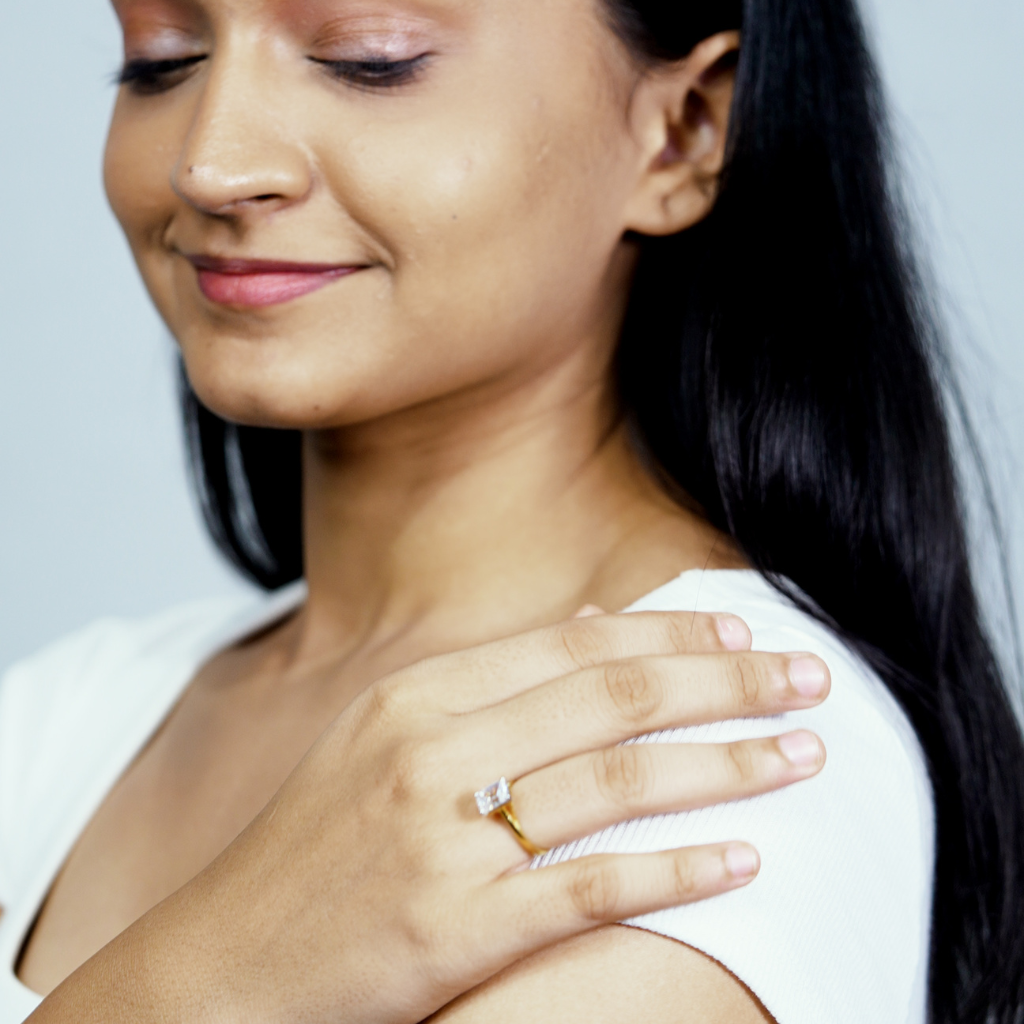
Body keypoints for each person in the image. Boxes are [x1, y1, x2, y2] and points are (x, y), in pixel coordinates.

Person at [1, 0, 1022, 1021]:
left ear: (681, 134)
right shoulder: (59, 716)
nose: (210, 165)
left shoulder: (716, 754)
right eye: (160, 64)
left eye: (370, 62)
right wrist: (211, 969)